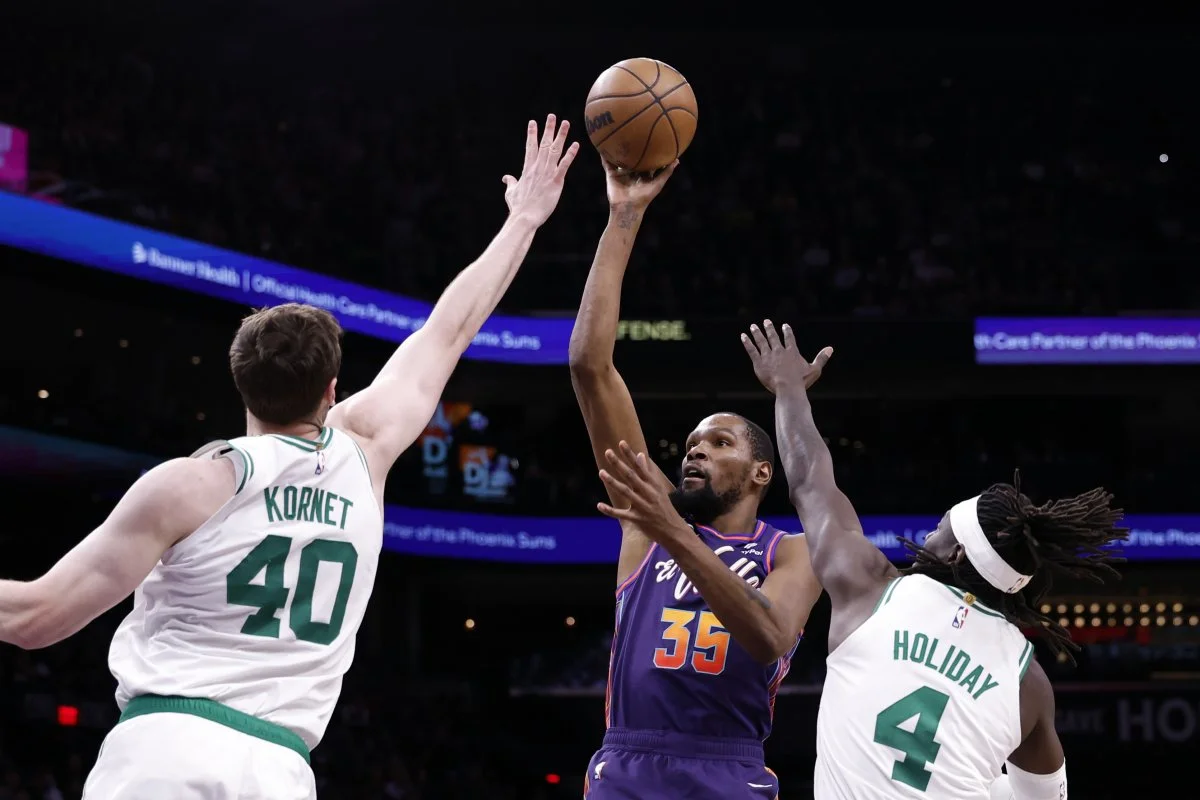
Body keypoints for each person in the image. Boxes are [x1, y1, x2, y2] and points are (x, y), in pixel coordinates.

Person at [0, 115, 580, 799]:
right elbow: (449, 329)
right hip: (278, 768)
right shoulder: (366, 450)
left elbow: (35, 617)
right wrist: (523, 220)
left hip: (162, 750)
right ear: (333, 389)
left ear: (239, 384)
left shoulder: (187, 485)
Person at [739, 319, 1128, 799]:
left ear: (958, 551)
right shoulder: (1028, 680)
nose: (927, 534)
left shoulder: (872, 589)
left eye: (940, 526)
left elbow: (809, 482)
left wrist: (788, 387)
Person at [567, 162, 830, 800]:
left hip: (727, 768)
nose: (696, 452)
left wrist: (674, 532)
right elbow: (589, 365)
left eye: (720, 443)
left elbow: (769, 637)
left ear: (763, 472)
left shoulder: (792, 552)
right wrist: (624, 216)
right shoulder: (647, 522)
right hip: (628, 763)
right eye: (691, 445)